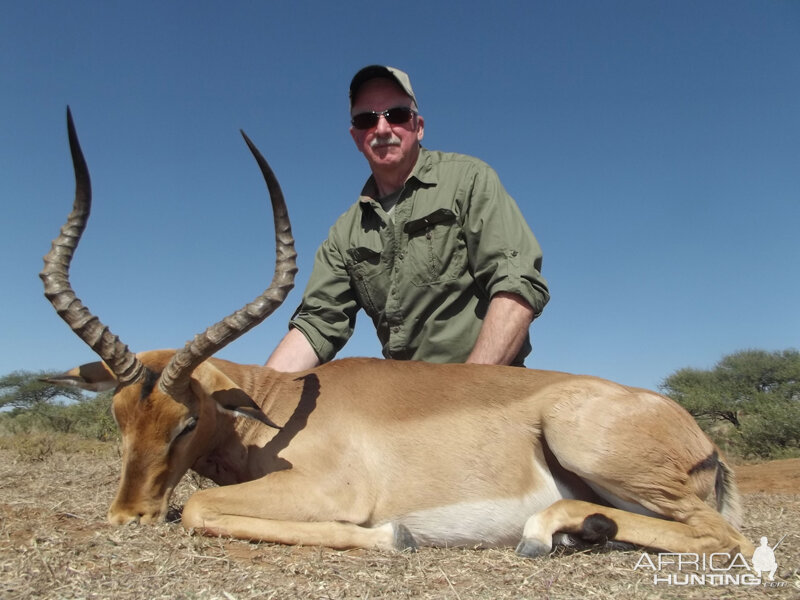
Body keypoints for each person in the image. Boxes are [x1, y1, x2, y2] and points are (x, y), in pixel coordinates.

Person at [266, 65, 549, 371]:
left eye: (397, 115)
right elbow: (318, 325)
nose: (382, 129)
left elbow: (516, 284)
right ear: (355, 136)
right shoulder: (344, 234)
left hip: (486, 386)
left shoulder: (468, 180)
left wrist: (465, 394)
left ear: (419, 126)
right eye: (366, 119)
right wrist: (257, 402)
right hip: (408, 401)